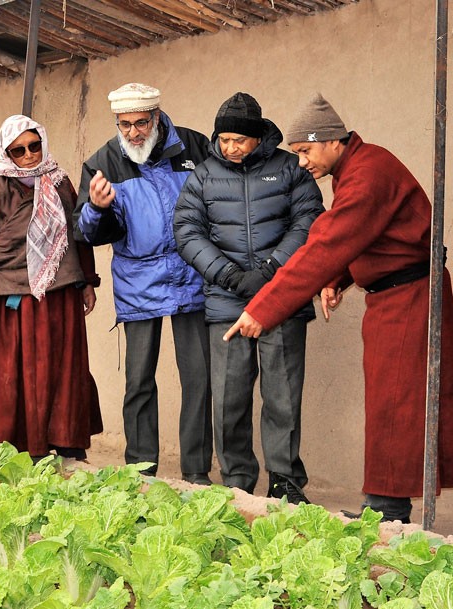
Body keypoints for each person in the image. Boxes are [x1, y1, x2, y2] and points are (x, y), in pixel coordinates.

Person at [223, 93, 453, 523]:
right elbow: (367, 239)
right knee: (391, 403)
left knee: (398, 402)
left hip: (412, 297)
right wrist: (337, 278)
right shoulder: (357, 168)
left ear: (331, 141)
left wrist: (262, 309)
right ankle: (386, 504)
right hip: (392, 298)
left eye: (305, 151)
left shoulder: (368, 174)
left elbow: (327, 242)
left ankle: (384, 508)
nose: (302, 162)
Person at [174, 93, 324, 503]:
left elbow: (310, 218)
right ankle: (237, 481)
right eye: (223, 139)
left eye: (239, 139)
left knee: (283, 394)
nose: (230, 148)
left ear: (259, 138)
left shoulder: (292, 169)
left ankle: (285, 480)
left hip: (282, 299)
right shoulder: (203, 176)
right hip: (226, 302)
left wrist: (272, 269)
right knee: (229, 396)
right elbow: (187, 231)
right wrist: (231, 276)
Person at [73, 83, 213, 483]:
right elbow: (88, 231)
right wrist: (98, 209)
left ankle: (197, 472)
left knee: (199, 378)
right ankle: (140, 471)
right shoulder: (102, 161)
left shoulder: (194, 148)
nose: (133, 132)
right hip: (138, 282)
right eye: (124, 124)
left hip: (191, 275)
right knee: (138, 380)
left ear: (155, 117)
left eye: (140, 123)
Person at [0, 114, 103, 460]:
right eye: (19, 150)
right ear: (8, 153)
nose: (29, 155)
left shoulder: (60, 182)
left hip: (60, 291)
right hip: (12, 294)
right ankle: (10, 447)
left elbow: (77, 234)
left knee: (63, 369)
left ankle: (66, 444)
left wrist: (87, 282)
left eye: (34, 146)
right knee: (11, 374)